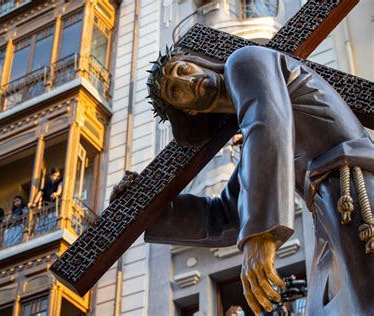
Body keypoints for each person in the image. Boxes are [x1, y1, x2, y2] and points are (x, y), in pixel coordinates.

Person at [144, 46, 373, 315]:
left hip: (353, 189)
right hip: (330, 216)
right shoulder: (256, 144)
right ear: (187, 111)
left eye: (183, 69)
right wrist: (147, 211)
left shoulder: (245, 60)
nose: (187, 81)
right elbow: (226, 215)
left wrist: (260, 235)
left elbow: (267, 120)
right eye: (175, 90)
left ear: (198, 62)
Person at [30, 168, 63, 234]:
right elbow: (40, 193)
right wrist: (34, 203)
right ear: (50, 176)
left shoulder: (60, 182)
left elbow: (60, 186)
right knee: (45, 223)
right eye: (54, 175)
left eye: (58, 176)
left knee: (54, 221)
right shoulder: (47, 184)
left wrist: (57, 193)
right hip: (47, 207)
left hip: (56, 206)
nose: (56, 177)